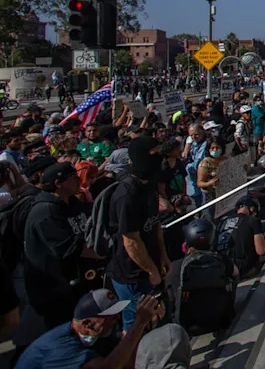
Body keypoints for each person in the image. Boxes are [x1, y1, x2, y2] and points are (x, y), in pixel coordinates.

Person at [23, 162, 99, 331]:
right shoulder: (45, 211)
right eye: (73, 178)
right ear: (58, 183)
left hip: (78, 282)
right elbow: (69, 248)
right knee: (66, 331)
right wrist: (106, 252)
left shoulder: (71, 201)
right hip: (54, 289)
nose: (78, 180)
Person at [106, 137, 170, 334]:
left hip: (152, 265)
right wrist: (151, 270)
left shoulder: (149, 184)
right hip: (132, 274)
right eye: (154, 154)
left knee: (161, 315)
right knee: (137, 326)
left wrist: (162, 255)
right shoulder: (127, 194)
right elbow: (131, 241)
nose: (159, 158)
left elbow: (154, 222)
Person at [14, 289, 164, 369]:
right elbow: (109, 367)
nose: (117, 319)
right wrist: (140, 322)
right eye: (111, 317)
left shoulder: (90, 335)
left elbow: (125, 361)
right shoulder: (63, 348)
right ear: (88, 324)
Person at [165, 219, 235, 335]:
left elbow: (171, 298)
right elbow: (235, 275)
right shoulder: (221, 260)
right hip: (219, 322)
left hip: (188, 327)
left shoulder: (174, 267)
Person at [219, 195, 265, 278]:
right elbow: (261, 250)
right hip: (241, 268)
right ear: (252, 209)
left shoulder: (223, 221)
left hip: (223, 266)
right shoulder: (253, 221)